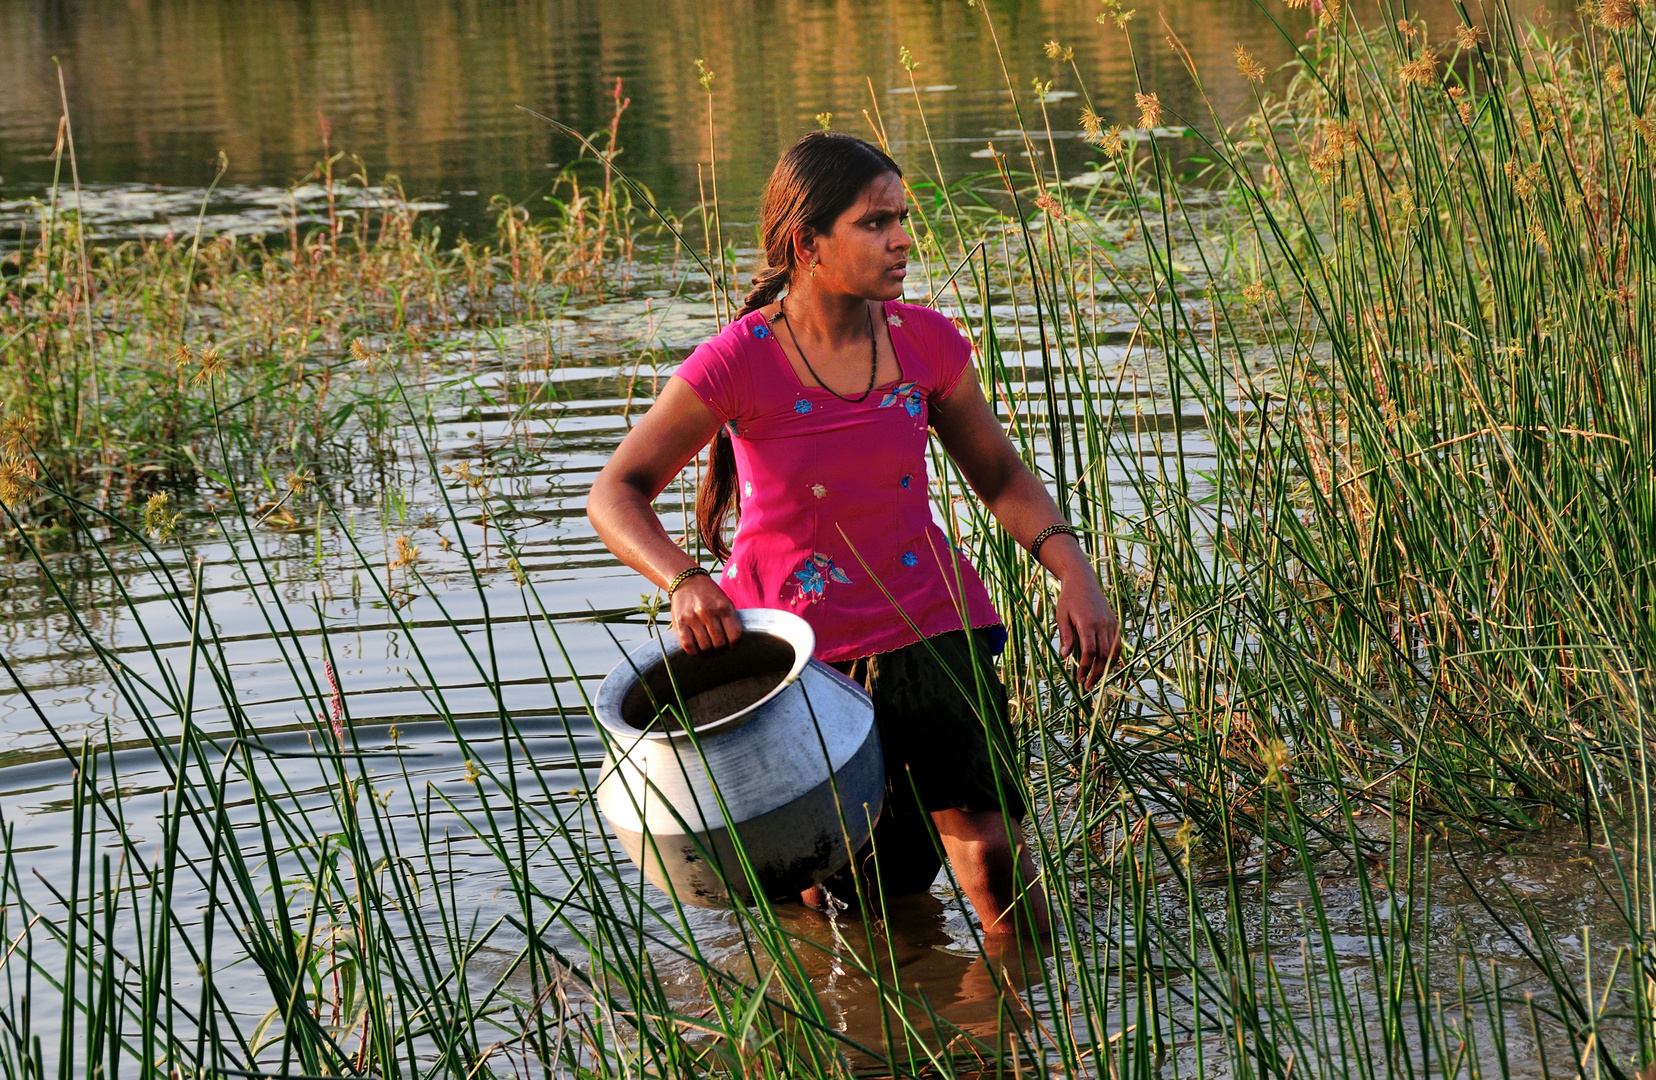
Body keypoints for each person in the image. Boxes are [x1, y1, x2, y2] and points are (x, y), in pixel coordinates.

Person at [586, 131, 1119, 937]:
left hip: (934, 627)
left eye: (902, 218)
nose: (902, 238)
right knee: (851, 897)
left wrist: (1073, 571)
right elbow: (615, 493)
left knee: (995, 863)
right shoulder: (739, 361)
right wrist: (685, 580)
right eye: (876, 223)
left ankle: (1020, 1031)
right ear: (809, 243)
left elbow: (1000, 476)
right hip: (803, 665)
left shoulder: (927, 343)